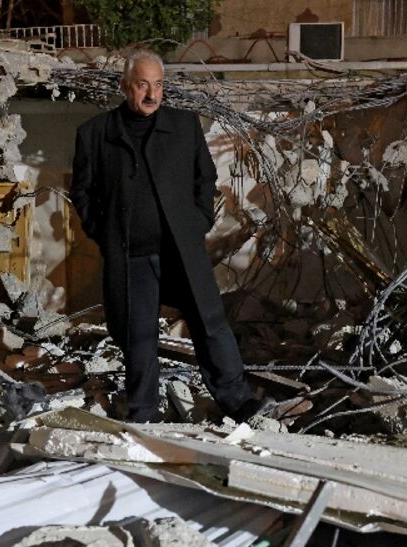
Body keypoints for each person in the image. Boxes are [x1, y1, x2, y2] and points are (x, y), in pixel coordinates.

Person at [69, 49, 265, 423]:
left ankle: (240, 403)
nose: (151, 95)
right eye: (143, 84)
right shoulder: (95, 134)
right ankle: (144, 413)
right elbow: (83, 192)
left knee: (209, 323)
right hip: (131, 256)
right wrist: (103, 232)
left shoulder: (184, 126)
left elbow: (205, 179)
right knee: (137, 336)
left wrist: (198, 223)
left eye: (158, 85)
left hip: (181, 250)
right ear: (126, 86)